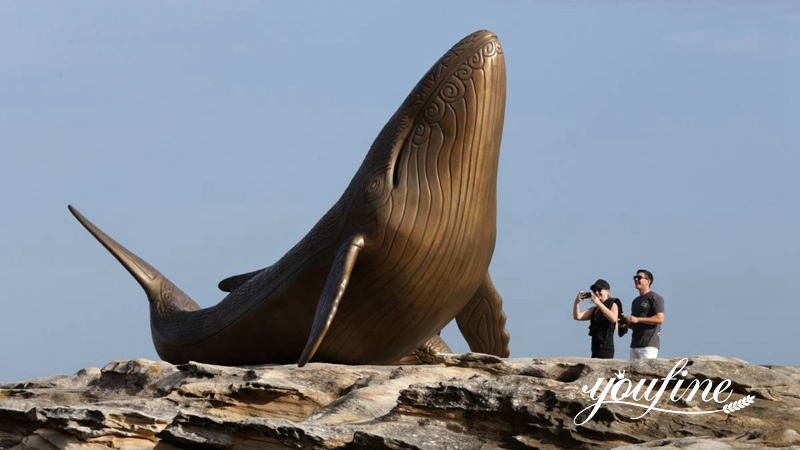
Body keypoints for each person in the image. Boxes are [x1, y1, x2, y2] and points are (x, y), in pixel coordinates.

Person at [620, 269, 665, 359]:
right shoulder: (635, 301)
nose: (636, 279)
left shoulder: (655, 298)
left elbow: (660, 319)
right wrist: (626, 324)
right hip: (634, 345)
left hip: (648, 345)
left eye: (639, 277)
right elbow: (635, 325)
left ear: (648, 281)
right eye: (635, 278)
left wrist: (638, 319)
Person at [573, 279, 623, 359]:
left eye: (599, 289)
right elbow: (577, 316)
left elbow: (613, 318)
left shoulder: (613, 303)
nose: (596, 293)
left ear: (607, 291)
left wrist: (599, 304)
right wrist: (576, 302)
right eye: (594, 290)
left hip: (606, 348)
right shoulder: (595, 309)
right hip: (595, 349)